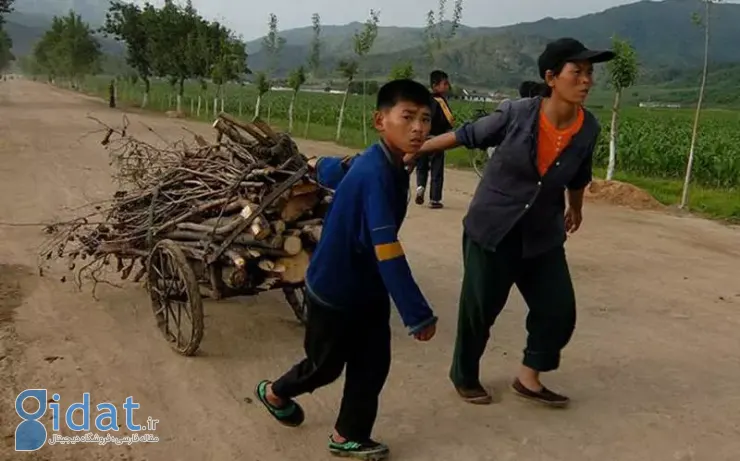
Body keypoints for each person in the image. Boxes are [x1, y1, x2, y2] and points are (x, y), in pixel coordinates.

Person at [411, 38, 614, 408]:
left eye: (589, 74)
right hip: (493, 228)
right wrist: (414, 150)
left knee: (558, 309)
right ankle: (465, 374)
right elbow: (468, 134)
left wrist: (577, 207)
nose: (586, 80)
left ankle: (528, 376)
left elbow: (579, 174)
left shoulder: (588, 129)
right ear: (551, 77)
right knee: (480, 309)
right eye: (577, 72)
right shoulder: (518, 113)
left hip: (542, 233)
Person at [255, 79, 438, 460]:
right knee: (324, 367)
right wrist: (417, 314)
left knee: (373, 364)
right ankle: (274, 391)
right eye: (408, 117)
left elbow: (339, 168)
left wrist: (314, 166)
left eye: (425, 119)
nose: (419, 128)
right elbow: (387, 250)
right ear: (380, 120)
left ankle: (347, 435)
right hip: (336, 289)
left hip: (368, 288)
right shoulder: (375, 174)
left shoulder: (384, 160)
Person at [414, 70, 454, 209]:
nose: (447, 86)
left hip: (423, 138)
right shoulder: (440, 101)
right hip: (437, 138)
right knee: (437, 168)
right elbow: (449, 119)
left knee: (422, 165)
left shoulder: (424, 100)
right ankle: (435, 199)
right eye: (445, 83)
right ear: (436, 86)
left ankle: (420, 187)